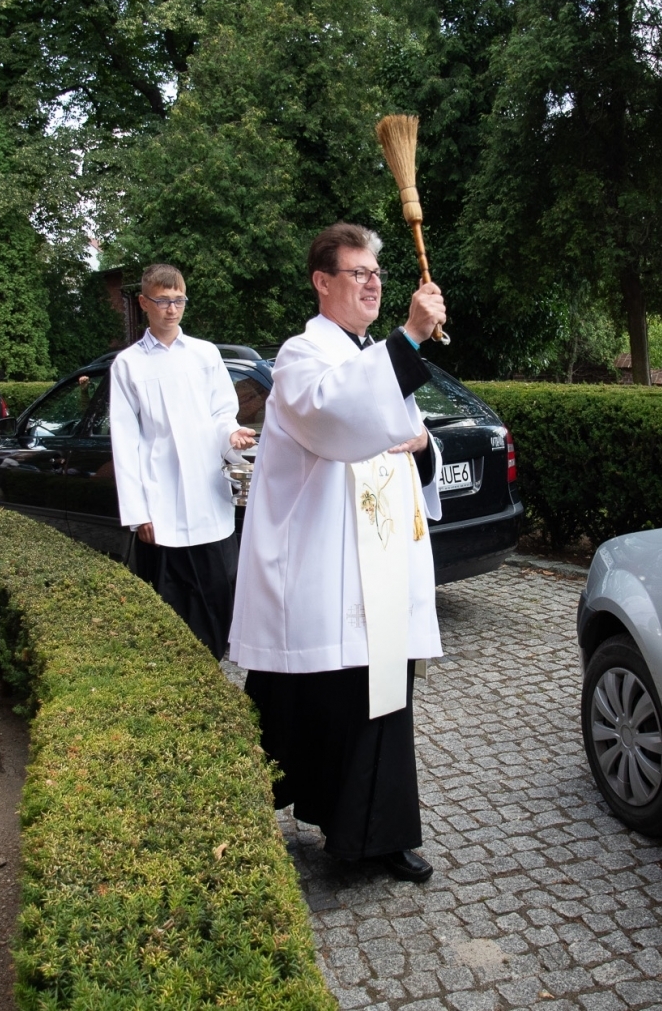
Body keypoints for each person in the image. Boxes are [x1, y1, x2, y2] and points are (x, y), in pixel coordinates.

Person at [228, 223, 446, 883]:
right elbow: (335, 418)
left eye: (377, 273)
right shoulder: (302, 357)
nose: (373, 283)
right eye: (359, 272)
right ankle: (260, 819)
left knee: (382, 701)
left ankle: (375, 838)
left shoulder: (373, 358)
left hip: (378, 565)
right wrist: (409, 339)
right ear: (322, 282)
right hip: (322, 575)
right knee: (323, 709)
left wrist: (425, 449)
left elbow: (408, 439)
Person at [109, 264, 257, 658]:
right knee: (170, 602)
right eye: (162, 301)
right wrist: (139, 512)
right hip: (162, 504)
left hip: (208, 499)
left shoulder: (205, 354)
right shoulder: (128, 364)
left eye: (178, 300)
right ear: (144, 303)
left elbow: (222, 414)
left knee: (218, 593)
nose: (171, 309)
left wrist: (232, 436)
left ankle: (215, 669)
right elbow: (126, 442)